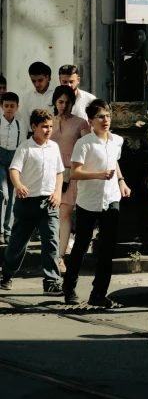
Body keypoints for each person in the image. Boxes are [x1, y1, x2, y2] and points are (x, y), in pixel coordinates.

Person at [62, 99, 131, 307]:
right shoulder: (85, 143)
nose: (105, 120)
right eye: (100, 117)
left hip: (111, 199)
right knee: (81, 245)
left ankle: (99, 294)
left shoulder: (117, 140)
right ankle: (69, 287)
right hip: (88, 201)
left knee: (107, 248)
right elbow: (75, 172)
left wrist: (121, 181)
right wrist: (99, 174)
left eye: (108, 116)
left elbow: (114, 162)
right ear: (90, 121)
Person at [0, 109, 63, 294]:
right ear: (34, 127)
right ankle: (7, 274)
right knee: (18, 242)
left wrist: (58, 193)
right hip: (27, 202)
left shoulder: (54, 147)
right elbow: (14, 169)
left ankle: (51, 281)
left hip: (49, 202)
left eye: (51, 126)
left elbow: (59, 172)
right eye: (44, 126)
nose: (48, 130)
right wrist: (18, 185)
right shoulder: (25, 147)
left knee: (51, 241)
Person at [50, 85, 89, 272]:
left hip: (70, 172)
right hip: (49, 172)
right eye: (60, 102)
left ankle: (60, 257)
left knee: (65, 214)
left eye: (67, 102)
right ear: (55, 102)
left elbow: (87, 147)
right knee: (49, 216)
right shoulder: (48, 121)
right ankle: (51, 254)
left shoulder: (81, 122)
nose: (63, 105)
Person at [0, 92, 23, 244]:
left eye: (12, 106)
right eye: (6, 106)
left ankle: (8, 230)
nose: (9, 109)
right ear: (1, 106)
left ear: (17, 107)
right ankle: (0, 230)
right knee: (3, 194)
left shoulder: (20, 125)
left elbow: (21, 145)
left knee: (12, 196)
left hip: (13, 160)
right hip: (0, 159)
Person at [21, 62, 55, 135]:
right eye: (33, 81)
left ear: (47, 77)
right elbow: (25, 124)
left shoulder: (57, 94)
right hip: (33, 136)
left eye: (40, 80)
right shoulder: (28, 97)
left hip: (53, 135)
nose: (36, 84)